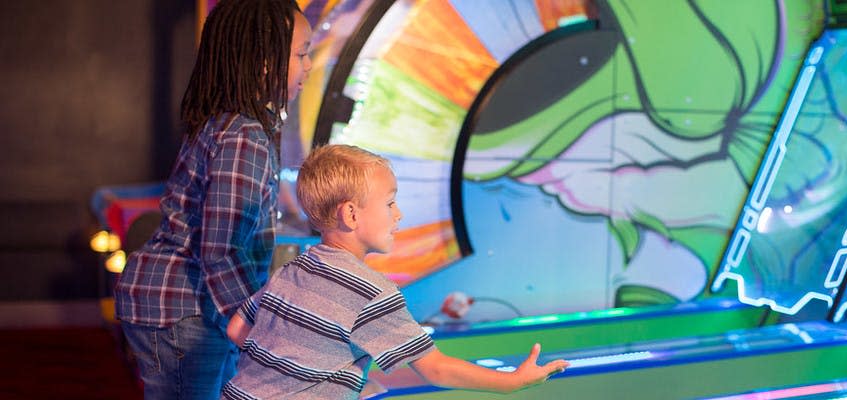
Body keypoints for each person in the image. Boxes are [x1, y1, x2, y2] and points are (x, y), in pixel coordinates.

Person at [222, 145, 570, 399]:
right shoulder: (370, 292)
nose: (399, 214)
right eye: (390, 203)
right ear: (351, 215)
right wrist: (513, 381)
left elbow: (238, 327)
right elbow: (436, 369)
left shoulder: (295, 268)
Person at [113, 0, 313, 398]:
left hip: (179, 305)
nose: (308, 66)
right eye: (302, 54)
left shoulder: (227, 122)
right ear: (264, 61)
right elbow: (221, 249)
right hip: (185, 310)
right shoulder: (244, 136)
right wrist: (251, 327)